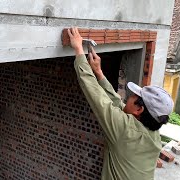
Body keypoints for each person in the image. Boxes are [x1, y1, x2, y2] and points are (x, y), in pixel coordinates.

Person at [68, 27, 174, 180]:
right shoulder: (153, 133)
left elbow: (95, 95)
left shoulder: (125, 131)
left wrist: (78, 50)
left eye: (132, 96)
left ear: (139, 110)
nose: (127, 98)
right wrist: (99, 73)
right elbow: (119, 105)